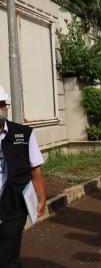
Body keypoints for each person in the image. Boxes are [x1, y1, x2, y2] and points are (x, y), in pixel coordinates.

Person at [0, 85, 46, 267]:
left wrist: (41, 198)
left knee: (8, 258)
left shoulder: (24, 134)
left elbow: (35, 170)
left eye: (3, 104)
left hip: (14, 206)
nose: (1, 109)